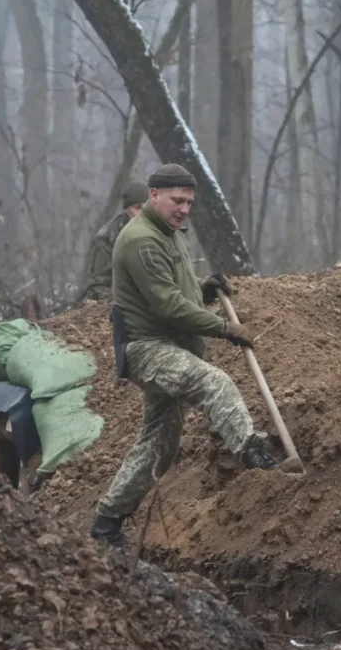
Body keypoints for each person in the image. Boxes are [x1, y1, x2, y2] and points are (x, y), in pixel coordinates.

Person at [89, 163, 278, 545]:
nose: (184, 209)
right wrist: (223, 328)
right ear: (153, 197)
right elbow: (166, 305)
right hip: (148, 349)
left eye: (190, 202)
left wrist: (204, 290)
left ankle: (106, 523)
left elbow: (179, 288)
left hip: (173, 346)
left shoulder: (171, 233)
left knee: (161, 441)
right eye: (177, 200)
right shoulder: (141, 238)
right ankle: (257, 459)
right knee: (214, 382)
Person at [80, 180, 148, 301]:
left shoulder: (160, 231)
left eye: (146, 208)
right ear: (127, 210)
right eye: (137, 208)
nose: (142, 213)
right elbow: (98, 285)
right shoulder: (107, 238)